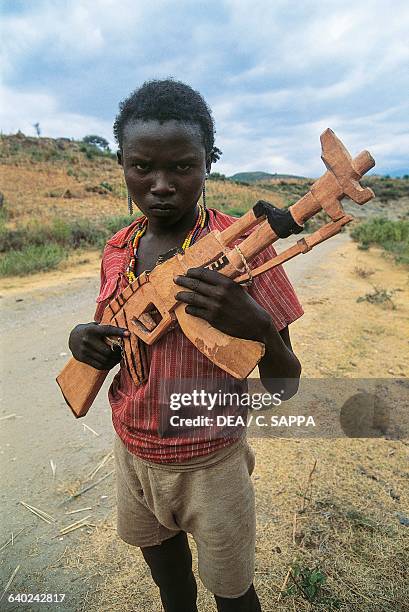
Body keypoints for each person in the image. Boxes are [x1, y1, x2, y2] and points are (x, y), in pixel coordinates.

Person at [68, 79, 303, 612]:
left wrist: (258, 326)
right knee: (172, 590)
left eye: (182, 167)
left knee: (234, 596)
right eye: (141, 167)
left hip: (212, 466)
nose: (161, 185)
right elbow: (112, 329)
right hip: (134, 455)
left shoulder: (245, 252)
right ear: (123, 164)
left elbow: (285, 386)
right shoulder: (118, 248)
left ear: (208, 164)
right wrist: (82, 340)